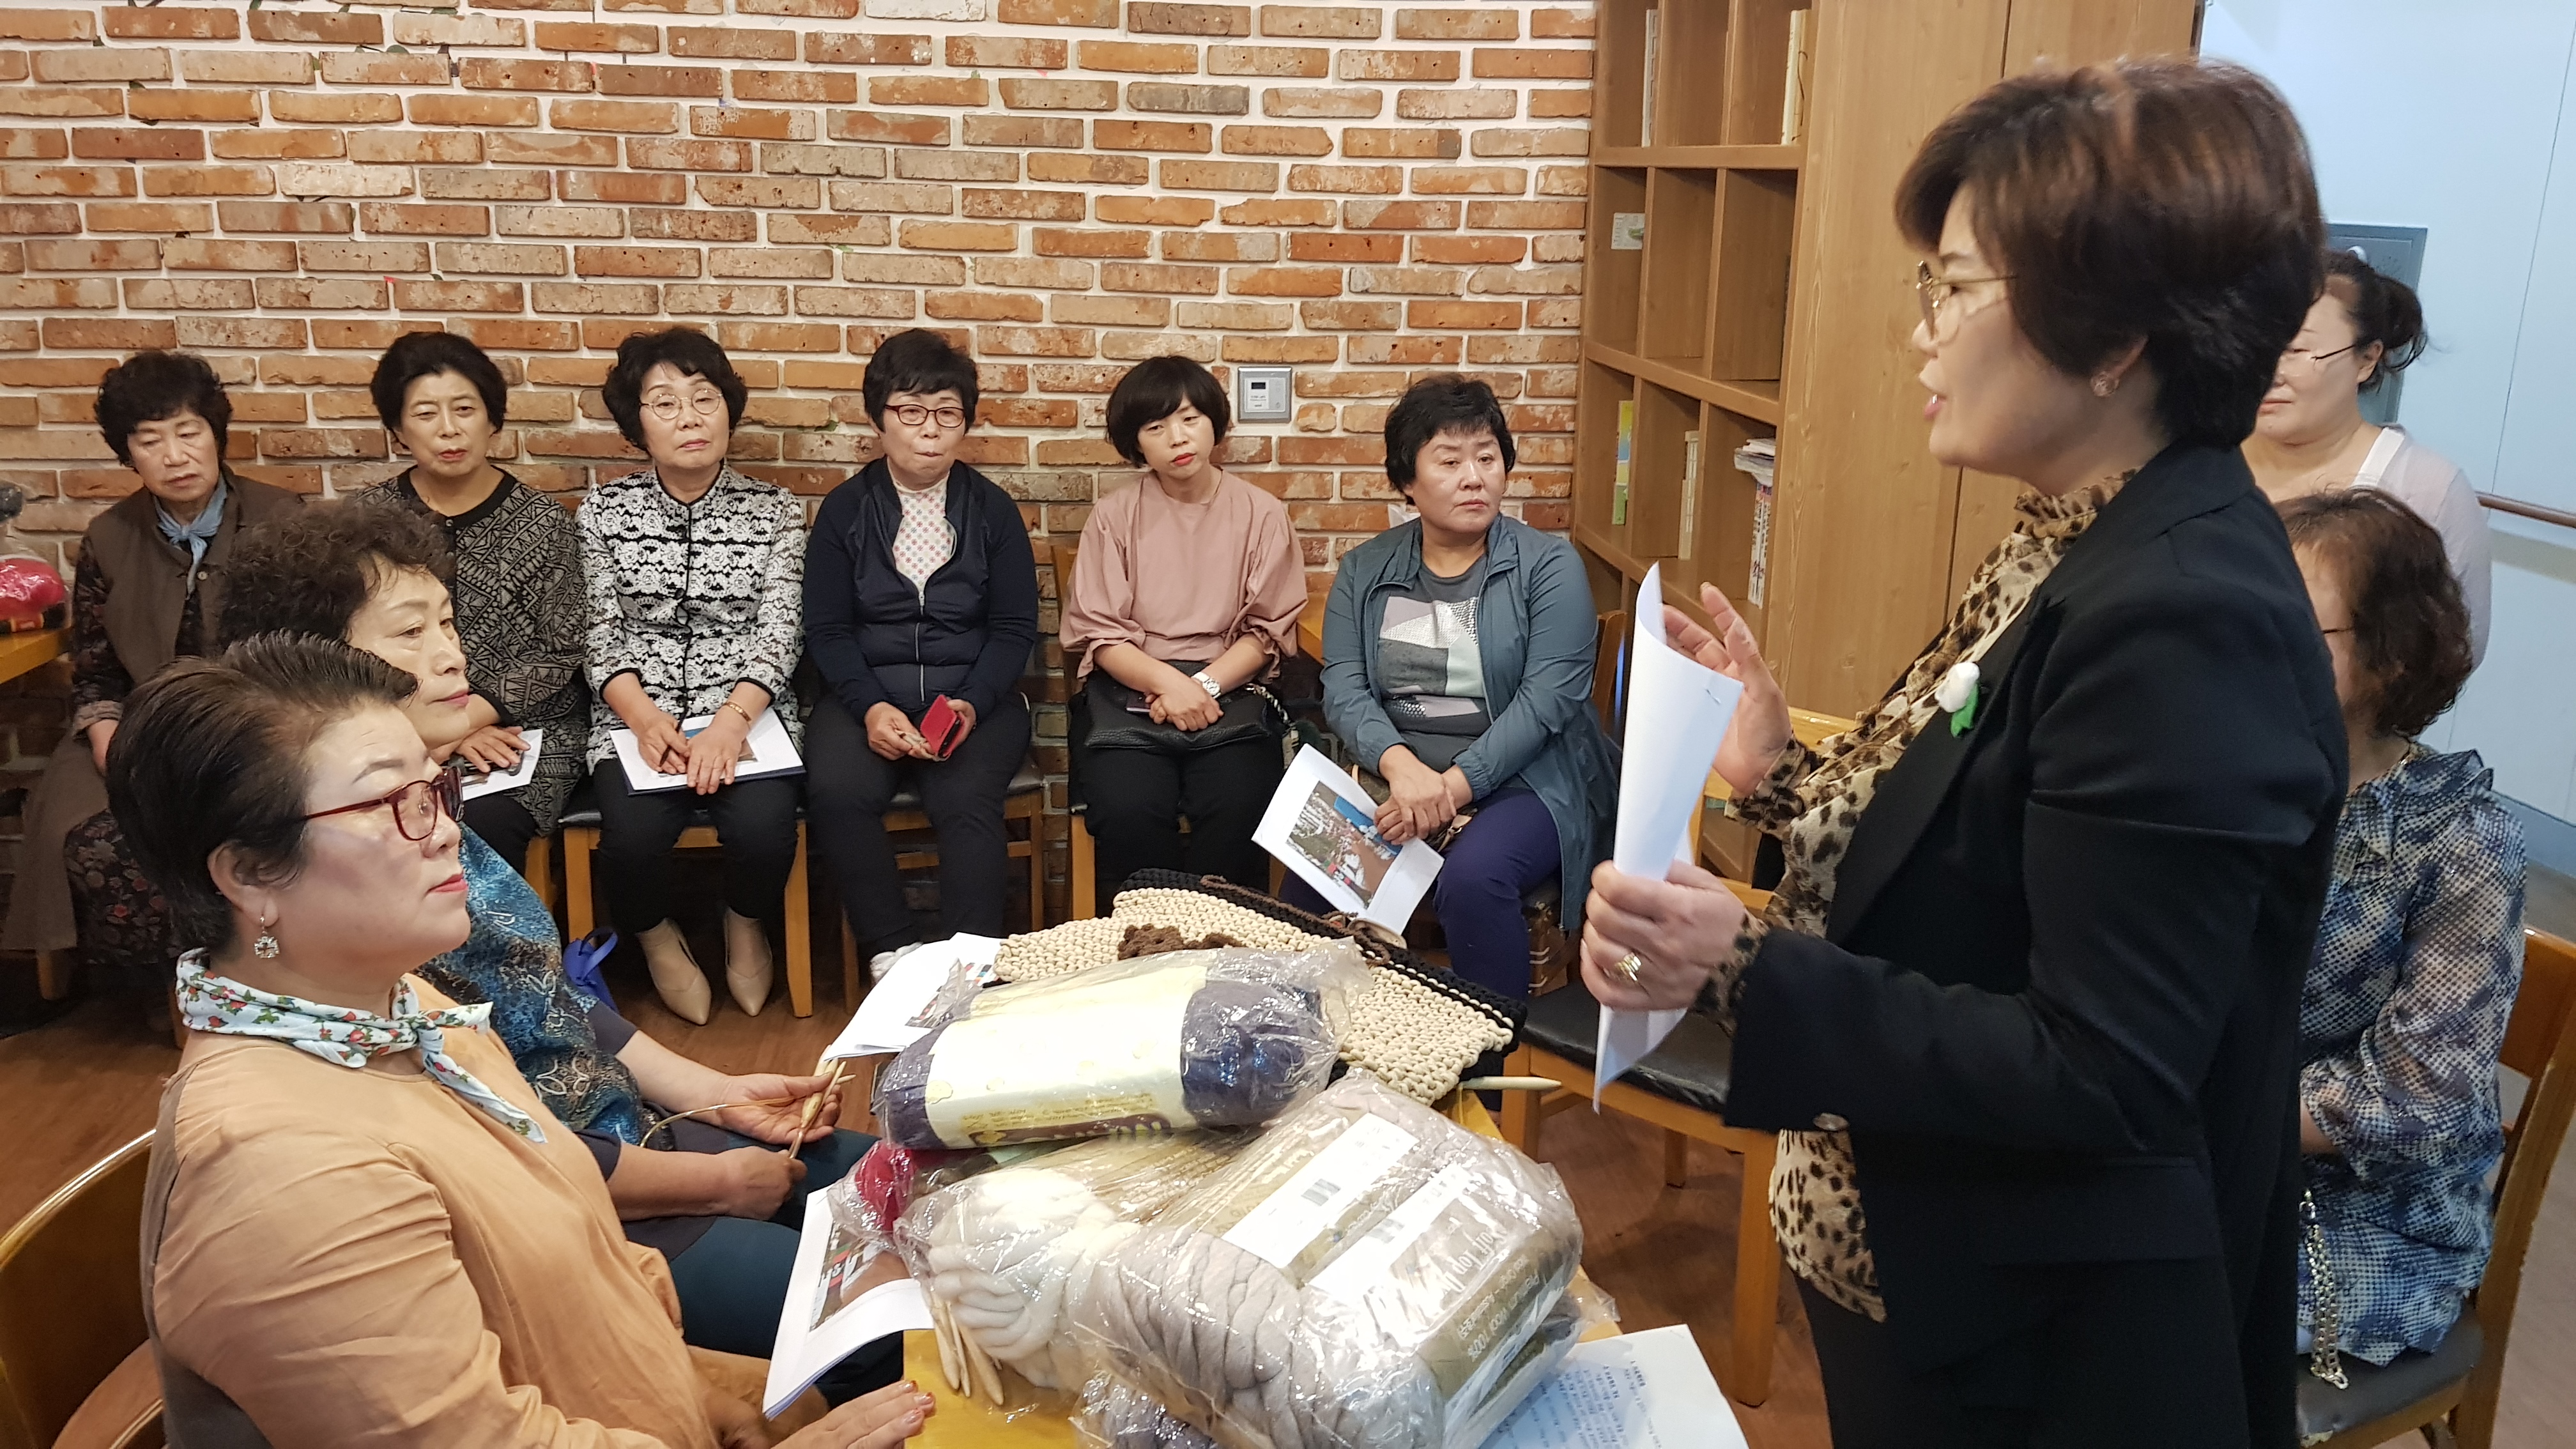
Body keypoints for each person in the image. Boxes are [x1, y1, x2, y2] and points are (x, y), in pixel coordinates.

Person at [1576, 61, 2345, 1446]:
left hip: (2037, 1324)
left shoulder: (2185, 612)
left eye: (1954, 286)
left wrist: (1739, 962)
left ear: (2114, 338)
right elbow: (1984, 856)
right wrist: (1777, 776)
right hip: (1916, 1239)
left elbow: (2103, 1067)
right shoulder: (2076, 533)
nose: (1919, 331)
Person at [112, 636, 932, 1448]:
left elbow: (593, 1262)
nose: (443, 831)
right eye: (389, 803)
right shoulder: (279, 1169)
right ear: (250, 874)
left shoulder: (410, 1009)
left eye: (437, 790)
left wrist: (698, 1388)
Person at [218, 505, 901, 1406]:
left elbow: (544, 998)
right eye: (411, 633)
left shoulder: (424, 812)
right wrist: (710, 1181)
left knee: (911, 1194)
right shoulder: (347, 895)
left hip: (621, 1133)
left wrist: (716, 1093)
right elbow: (492, 1154)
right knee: (887, 1318)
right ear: (314, 668)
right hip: (568, 1205)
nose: (451, 656)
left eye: (449, 622)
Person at [2277, 488, 2522, 1384]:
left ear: (2391, 655)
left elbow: (2418, 1098)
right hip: (2199, 1149)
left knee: (2127, 1297)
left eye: (2294, 624)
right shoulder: (2222, 781)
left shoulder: (2460, 835)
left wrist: (2205, 1111)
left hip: (2366, 1213)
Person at [1296, 375, 1618, 1002]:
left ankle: (1489, 1053)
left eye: (1487, 458)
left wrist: (1448, 789)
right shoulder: (1366, 569)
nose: (1474, 478)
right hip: (1398, 779)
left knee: (1475, 880)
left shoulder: (1549, 567)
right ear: (1407, 480)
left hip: (1527, 781)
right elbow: (1345, 689)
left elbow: (1547, 703)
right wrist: (1402, 768)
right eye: (1449, 462)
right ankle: (1328, 1045)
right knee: (1312, 874)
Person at [0, 350, 299, 1014]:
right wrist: (113, 745)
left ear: (216, 434)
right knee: (87, 837)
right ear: (128, 453)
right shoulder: (108, 536)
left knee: (232, 824)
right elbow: (96, 672)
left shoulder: (281, 517)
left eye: (189, 432)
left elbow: (307, 649)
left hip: (255, 728)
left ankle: (233, 984)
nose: (175, 455)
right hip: (138, 731)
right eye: (150, 440)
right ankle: (159, 993)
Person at [582, 328, 806, 1023]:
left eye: (704, 399)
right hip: (635, 714)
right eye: (665, 403)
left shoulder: (777, 511)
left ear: (729, 410)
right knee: (630, 840)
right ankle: (657, 938)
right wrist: (645, 719)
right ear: (637, 423)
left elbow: (781, 630)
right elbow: (599, 634)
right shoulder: (602, 514)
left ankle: (745, 922)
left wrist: (731, 723)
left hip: (749, 713)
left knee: (767, 830)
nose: (689, 418)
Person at [803, 329, 1038, 974]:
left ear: (965, 423)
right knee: (839, 791)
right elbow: (827, 630)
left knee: (965, 799)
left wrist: (971, 702)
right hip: (865, 695)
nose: (930, 430)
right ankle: (893, 949)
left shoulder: (992, 511)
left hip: (974, 696)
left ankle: (969, 963)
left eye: (947, 413)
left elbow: (1014, 628)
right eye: (911, 411)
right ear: (879, 419)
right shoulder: (846, 511)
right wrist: (871, 707)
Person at [1062, 356, 1306, 902]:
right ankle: (1153, 929)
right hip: (1132, 692)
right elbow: (1101, 634)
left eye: (1190, 419)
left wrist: (1202, 687)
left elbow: (1265, 632)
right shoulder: (1114, 515)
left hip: (1230, 692)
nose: (1178, 438)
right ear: (1136, 443)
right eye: (1156, 427)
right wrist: (1170, 686)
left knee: (1241, 801)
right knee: (1127, 806)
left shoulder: (1262, 514)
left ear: (1214, 423)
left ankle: (1214, 930)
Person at [351, 330, 589, 872]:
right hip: (398, 726)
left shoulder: (542, 522)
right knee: (358, 819)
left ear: (492, 421)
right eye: (425, 414)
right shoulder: (366, 522)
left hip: (525, 732)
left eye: (464, 409)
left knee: (480, 822)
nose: (449, 429)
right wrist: (428, 729)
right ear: (398, 430)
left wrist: (463, 723)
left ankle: (494, 931)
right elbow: (344, 642)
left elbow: (562, 651)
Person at [2246, 251, 2492, 663]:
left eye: (2297, 350)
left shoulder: (2425, 491)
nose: (2271, 371)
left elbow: (2452, 653)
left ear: (2367, 359)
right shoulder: (2201, 458)